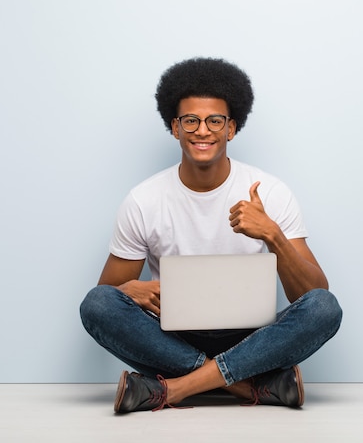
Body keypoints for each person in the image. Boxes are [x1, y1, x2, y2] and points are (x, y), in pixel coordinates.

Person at [79, 57, 342, 413]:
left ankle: (174, 389)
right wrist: (130, 289)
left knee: (325, 308)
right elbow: (107, 295)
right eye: (191, 120)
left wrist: (273, 236)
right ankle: (248, 386)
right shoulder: (144, 199)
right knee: (96, 304)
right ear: (175, 127)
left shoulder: (271, 192)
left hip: (253, 339)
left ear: (231, 128)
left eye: (214, 120)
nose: (202, 131)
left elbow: (312, 294)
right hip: (172, 337)